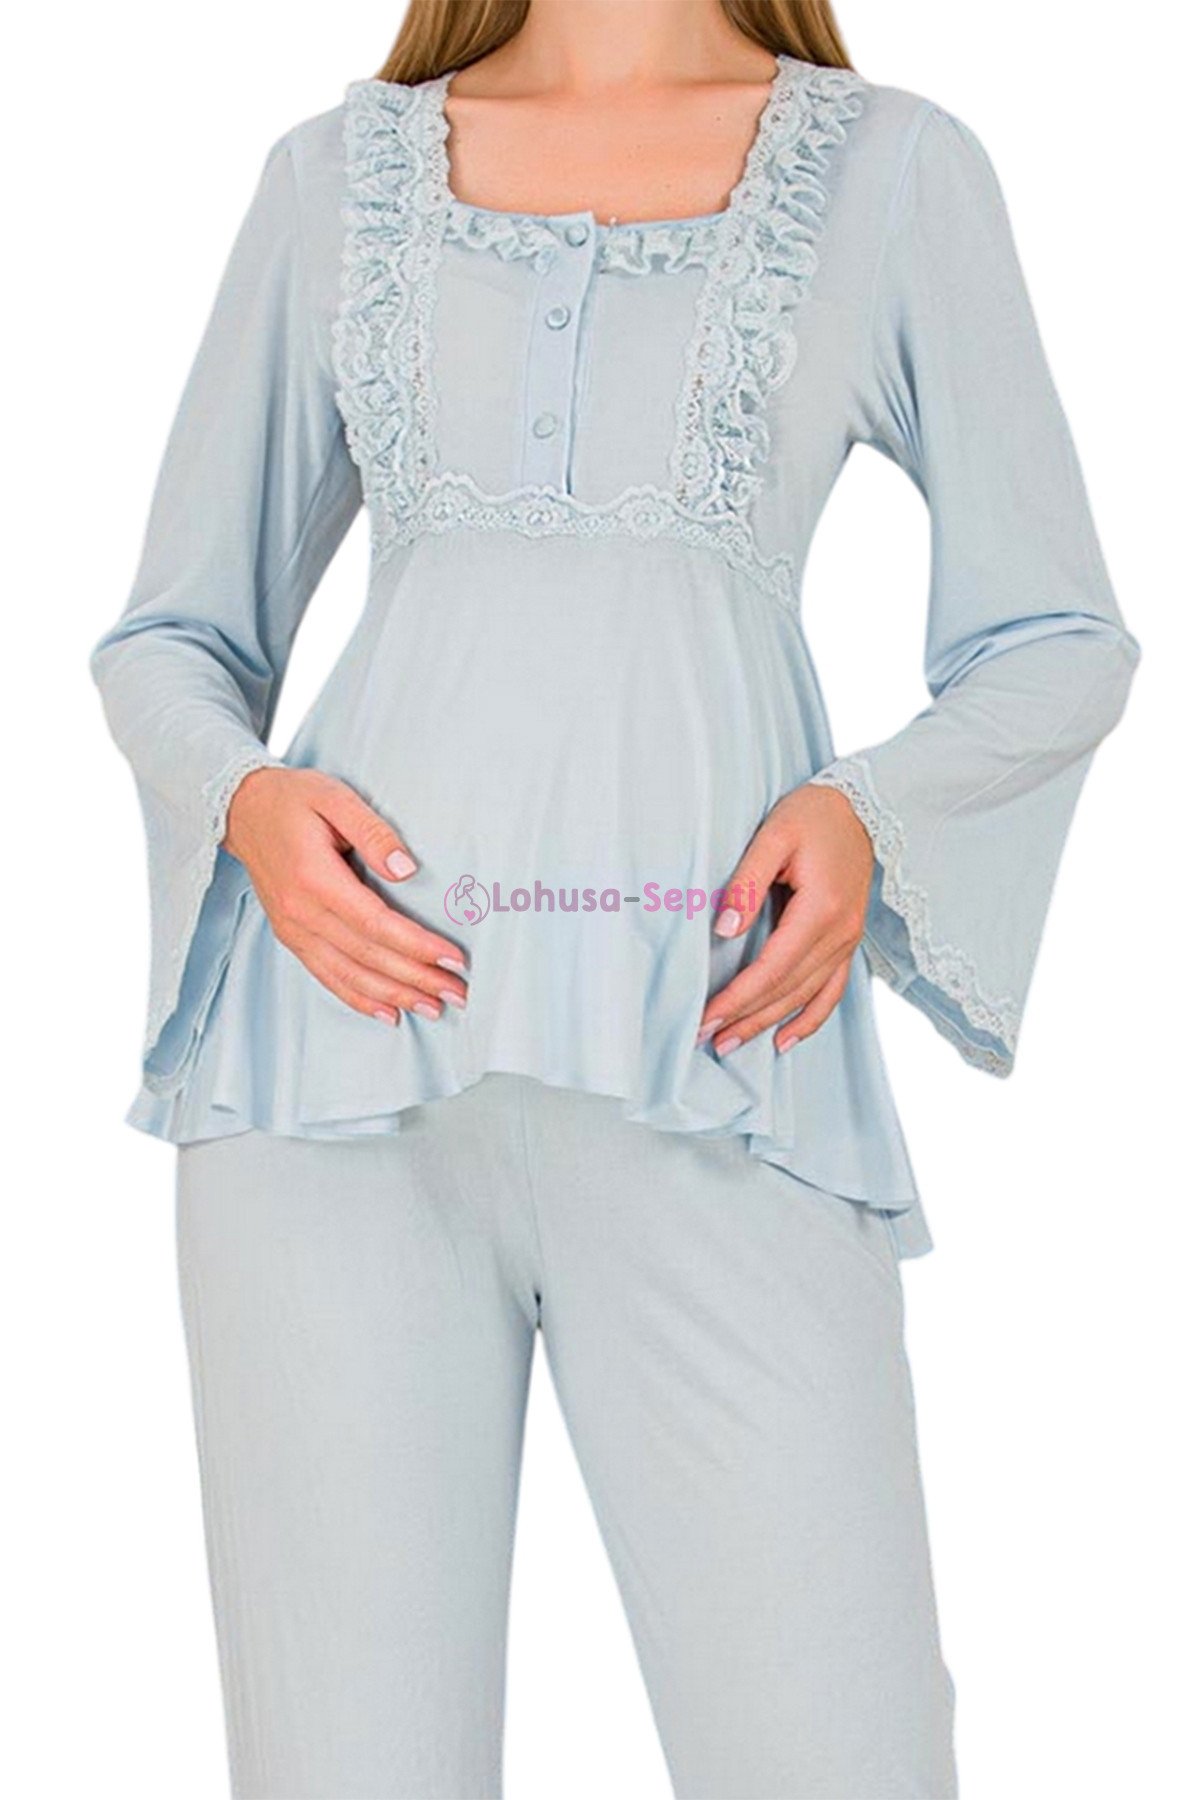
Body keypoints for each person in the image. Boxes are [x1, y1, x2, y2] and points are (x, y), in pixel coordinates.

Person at [89, 1, 1141, 1794]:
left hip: (721, 1068)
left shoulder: (893, 171)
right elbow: (171, 641)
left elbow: (1058, 640)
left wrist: (868, 809)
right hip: (322, 1094)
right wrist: (251, 807)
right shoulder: (335, 177)